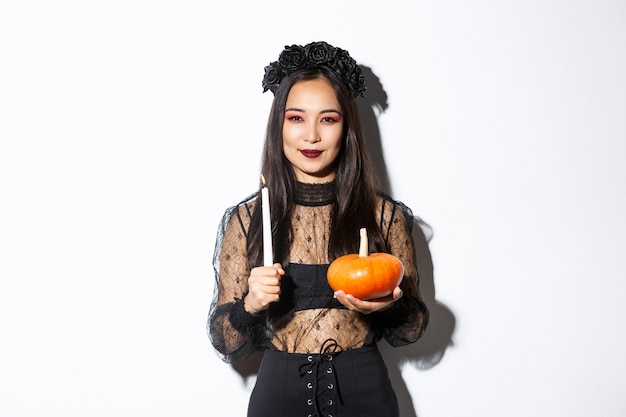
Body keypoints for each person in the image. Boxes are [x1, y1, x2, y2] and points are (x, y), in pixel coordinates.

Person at [207, 41, 429, 417]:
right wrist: (251, 305)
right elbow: (225, 340)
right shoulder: (246, 220)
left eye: (328, 118)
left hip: (365, 395)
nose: (311, 135)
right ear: (279, 124)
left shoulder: (384, 216)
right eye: (296, 118)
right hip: (278, 397)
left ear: (347, 128)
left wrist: (389, 306)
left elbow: (413, 327)